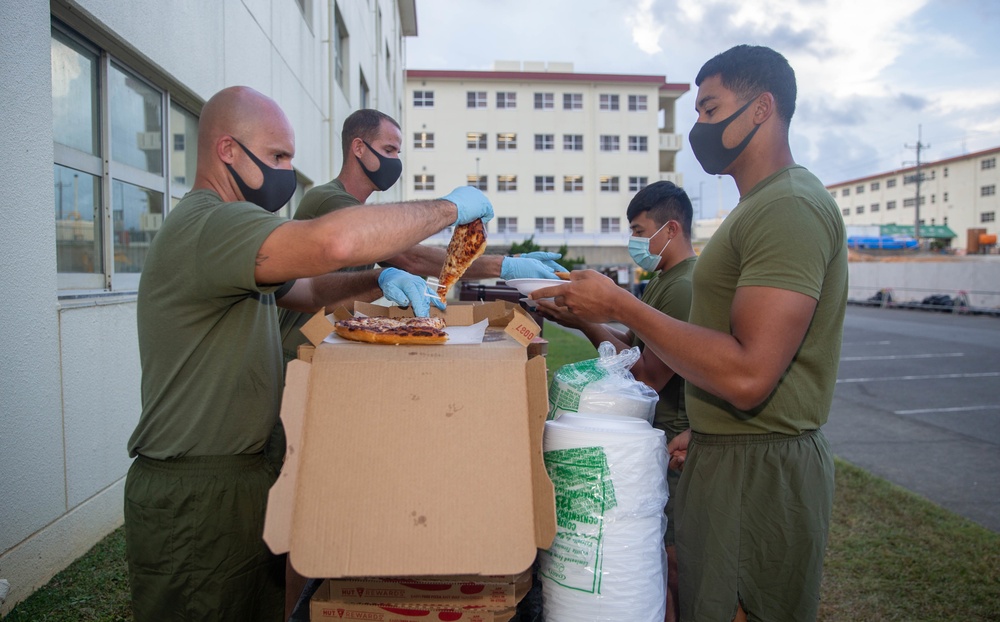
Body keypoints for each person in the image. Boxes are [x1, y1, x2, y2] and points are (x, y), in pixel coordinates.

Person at [124, 86, 494, 622]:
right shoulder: (211, 223)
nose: (287, 172)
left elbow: (309, 289)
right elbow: (332, 245)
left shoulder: (234, 235)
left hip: (239, 473)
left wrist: (381, 276)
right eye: (277, 157)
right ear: (227, 150)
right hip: (197, 491)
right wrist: (449, 209)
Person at [531, 45, 848, 622]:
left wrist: (621, 303)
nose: (698, 126)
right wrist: (709, 431)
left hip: (759, 473)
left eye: (709, 108)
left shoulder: (790, 207)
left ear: (761, 109)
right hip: (726, 455)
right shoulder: (757, 209)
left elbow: (750, 375)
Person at [277, 108, 566, 368]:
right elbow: (410, 257)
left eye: (398, 153)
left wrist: (510, 262)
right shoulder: (329, 201)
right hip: (296, 349)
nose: (395, 162)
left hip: (327, 348)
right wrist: (502, 267)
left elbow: (411, 257)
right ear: (358, 148)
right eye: (388, 150)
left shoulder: (355, 210)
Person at [535, 180, 696, 622]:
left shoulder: (685, 287)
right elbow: (629, 350)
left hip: (671, 443)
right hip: (650, 442)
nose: (634, 242)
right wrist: (578, 320)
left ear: (672, 228)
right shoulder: (664, 280)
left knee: (668, 560)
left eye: (640, 230)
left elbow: (644, 378)